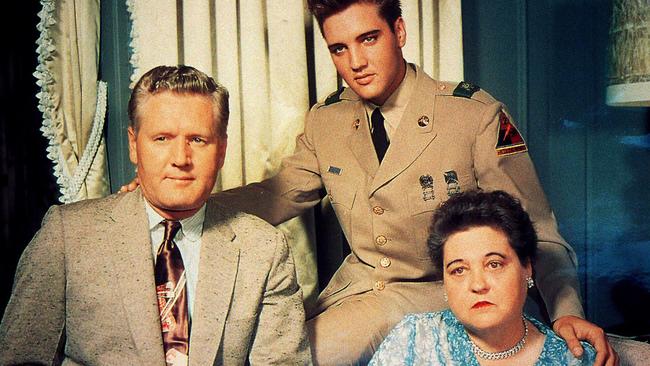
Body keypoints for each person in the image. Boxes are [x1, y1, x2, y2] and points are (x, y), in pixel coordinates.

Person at [121, 1, 614, 364]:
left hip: (439, 297)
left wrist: (566, 309)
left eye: (368, 39)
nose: (355, 61)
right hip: (357, 293)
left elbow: (539, 232)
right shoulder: (328, 121)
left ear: (398, 30)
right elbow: (275, 195)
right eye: (339, 48)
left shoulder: (474, 116)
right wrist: (170, 202)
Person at [0, 65, 311, 365]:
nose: (180, 159)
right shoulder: (67, 236)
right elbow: (20, 358)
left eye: (197, 140)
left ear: (221, 151)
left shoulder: (263, 249)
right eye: (162, 139)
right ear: (134, 145)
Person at [369, 190, 597, 365]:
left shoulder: (572, 357)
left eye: (494, 264)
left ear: (527, 267)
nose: (477, 285)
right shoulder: (414, 338)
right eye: (458, 270)